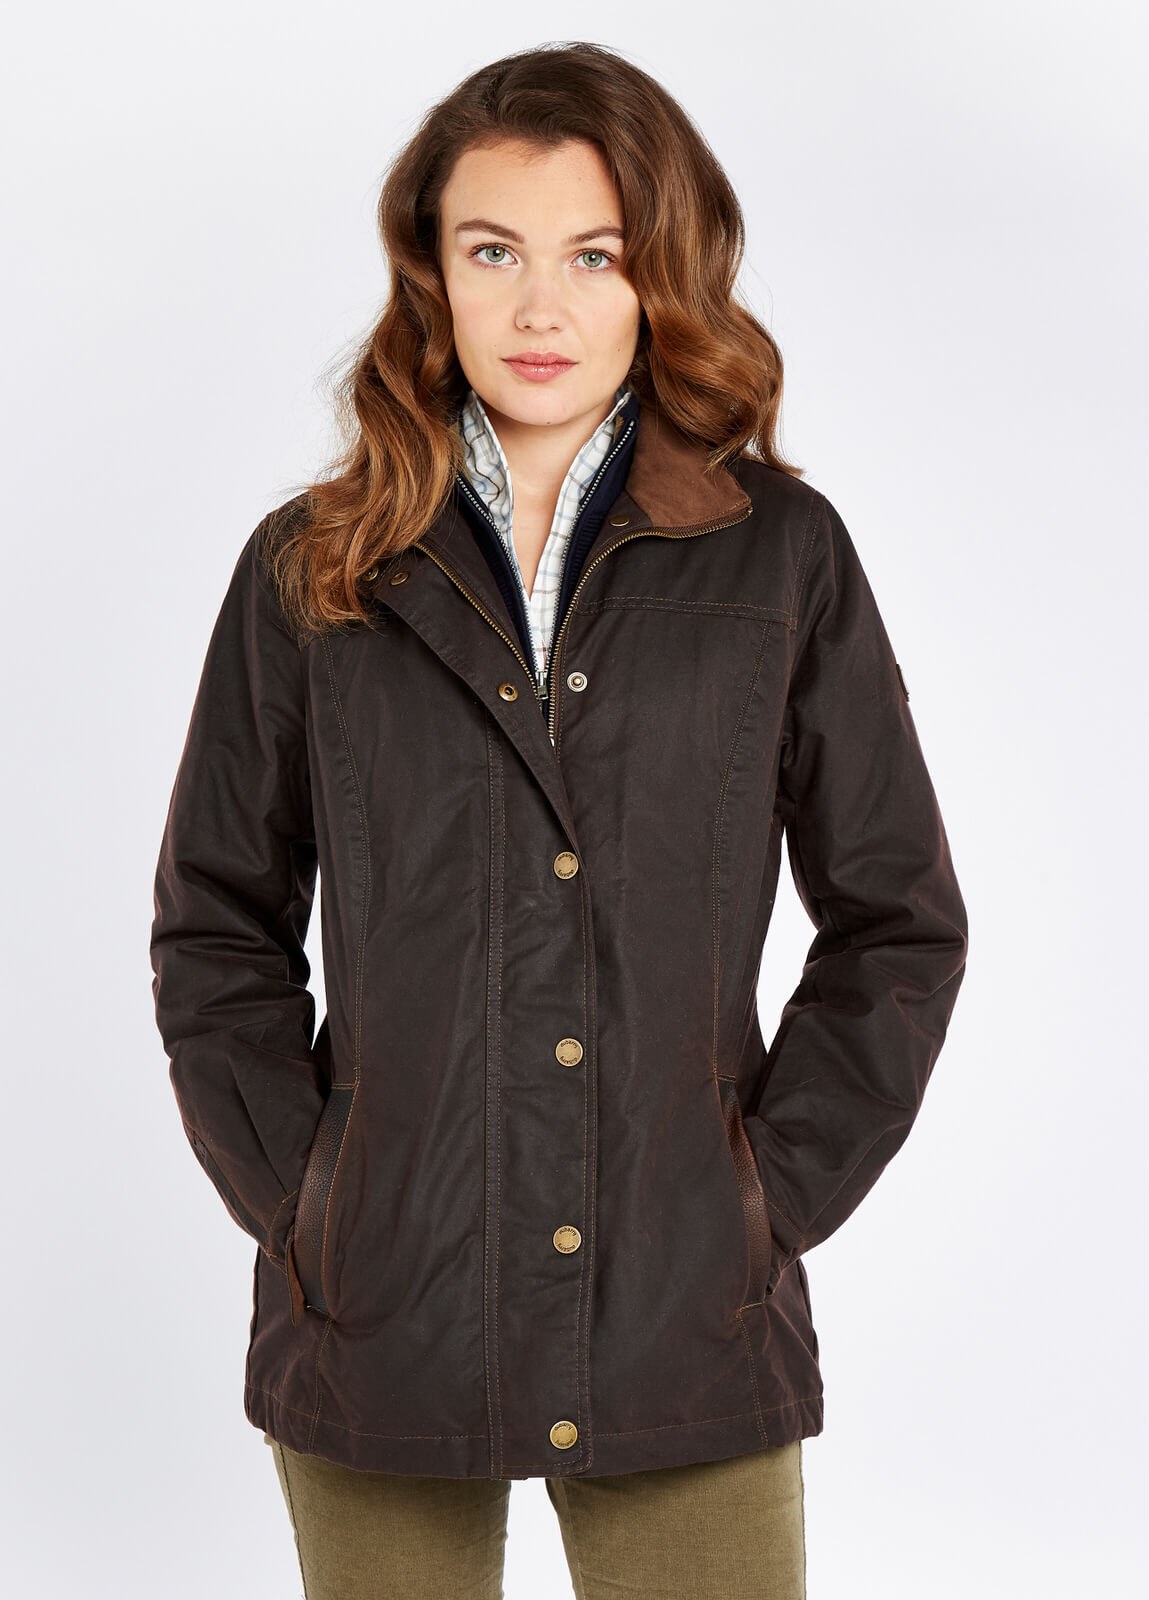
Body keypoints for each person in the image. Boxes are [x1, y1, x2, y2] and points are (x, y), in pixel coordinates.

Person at [149, 40, 968, 1600]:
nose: (540, 308)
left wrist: (760, 1201)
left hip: (684, 1318)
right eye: (493, 252)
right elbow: (214, 931)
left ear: (661, 275)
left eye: (593, 255)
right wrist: (311, 1203)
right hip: (380, 1311)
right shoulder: (312, 568)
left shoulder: (778, 558)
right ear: (431, 276)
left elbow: (897, 923)